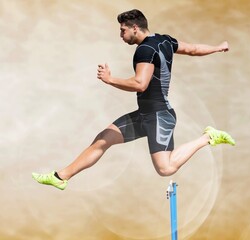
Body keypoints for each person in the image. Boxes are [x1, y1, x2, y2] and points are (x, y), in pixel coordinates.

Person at [32, 9, 235, 190]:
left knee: (166, 168)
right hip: (144, 115)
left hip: (159, 117)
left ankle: (208, 137)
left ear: (135, 28)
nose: (121, 35)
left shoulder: (145, 50)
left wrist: (110, 80)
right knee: (104, 138)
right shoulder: (165, 40)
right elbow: (192, 49)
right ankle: (61, 177)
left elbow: (140, 84)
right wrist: (217, 47)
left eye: (123, 30)